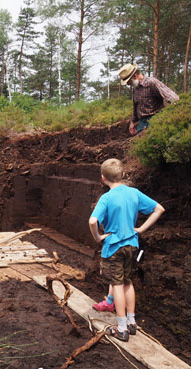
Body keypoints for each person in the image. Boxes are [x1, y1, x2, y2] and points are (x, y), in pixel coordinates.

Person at [89, 158, 165, 342]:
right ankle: (131, 323)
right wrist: (141, 229)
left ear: (103, 178)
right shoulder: (134, 193)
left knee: (117, 286)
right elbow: (159, 209)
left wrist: (98, 237)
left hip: (114, 247)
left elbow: (92, 221)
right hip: (132, 244)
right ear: (122, 175)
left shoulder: (106, 198)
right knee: (128, 282)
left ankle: (121, 328)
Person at [118, 64, 179, 135]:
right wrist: (133, 122)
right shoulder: (135, 89)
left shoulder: (151, 83)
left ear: (134, 76)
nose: (128, 85)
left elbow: (172, 97)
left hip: (155, 120)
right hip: (142, 123)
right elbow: (136, 107)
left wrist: (177, 113)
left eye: (129, 82)